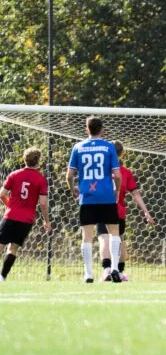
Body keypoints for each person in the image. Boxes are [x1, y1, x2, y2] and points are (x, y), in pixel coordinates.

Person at [66, 116, 123, 283]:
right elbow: (117, 175)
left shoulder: (78, 147)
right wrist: (117, 190)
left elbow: (69, 175)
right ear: (102, 129)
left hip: (87, 198)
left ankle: (88, 274)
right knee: (114, 232)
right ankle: (114, 268)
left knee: (87, 237)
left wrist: (73, 190)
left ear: (87, 129)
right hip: (106, 196)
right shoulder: (109, 147)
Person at [96, 141, 155, 281]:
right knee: (119, 239)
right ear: (122, 154)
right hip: (118, 210)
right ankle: (120, 271)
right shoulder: (125, 172)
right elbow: (135, 193)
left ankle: (107, 270)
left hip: (100, 207)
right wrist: (146, 211)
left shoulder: (100, 170)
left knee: (104, 237)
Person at [0, 147, 52, 281]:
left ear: (25, 159)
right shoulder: (41, 180)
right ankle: (2, 277)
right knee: (13, 249)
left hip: (10, 216)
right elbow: (43, 204)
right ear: (38, 161)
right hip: (26, 220)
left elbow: (2, 194)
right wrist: (46, 221)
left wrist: (9, 205)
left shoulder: (14, 174)